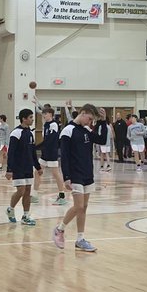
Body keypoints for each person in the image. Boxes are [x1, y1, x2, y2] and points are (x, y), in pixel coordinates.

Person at [53, 103, 98, 252]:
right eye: (89, 118)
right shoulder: (68, 130)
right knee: (78, 206)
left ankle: (80, 239)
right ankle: (60, 229)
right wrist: (66, 177)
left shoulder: (86, 130)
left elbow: (101, 139)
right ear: (83, 113)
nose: (90, 122)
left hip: (87, 173)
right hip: (75, 174)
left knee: (83, 208)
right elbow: (64, 156)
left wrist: (103, 121)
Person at [5, 109, 41, 226]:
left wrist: (38, 166)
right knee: (21, 190)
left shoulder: (30, 133)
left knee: (27, 192)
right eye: (30, 117)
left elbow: (32, 152)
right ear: (24, 119)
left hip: (28, 167)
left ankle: (25, 216)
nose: (32, 119)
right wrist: (9, 169)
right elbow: (11, 153)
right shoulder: (16, 133)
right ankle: (10, 208)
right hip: (18, 167)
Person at [33, 105, 67, 204]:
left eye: (45, 114)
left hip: (51, 152)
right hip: (45, 152)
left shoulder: (54, 124)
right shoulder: (46, 125)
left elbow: (51, 140)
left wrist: (36, 147)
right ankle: (34, 195)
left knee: (55, 174)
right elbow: (45, 140)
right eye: (43, 114)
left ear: (51, 115)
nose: (43, 115)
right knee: (37, 172)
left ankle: (62, 196)